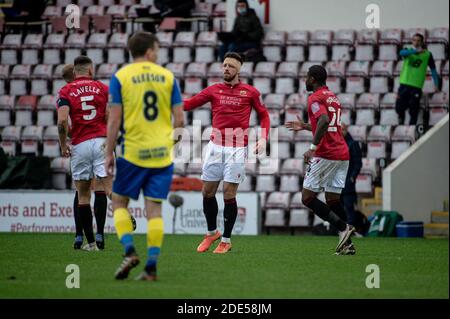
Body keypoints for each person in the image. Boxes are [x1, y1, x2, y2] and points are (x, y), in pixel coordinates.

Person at [105, 31, 184, 281]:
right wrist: (169, 143)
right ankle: (151, 268)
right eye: (157, 48)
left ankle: (129, 250)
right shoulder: (168, 77)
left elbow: (114, 119)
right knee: (155, 211)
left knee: (118, 202)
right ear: (149, 51)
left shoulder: (120, 77)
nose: (158, 52)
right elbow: (180, 120)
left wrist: (108, 152)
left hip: (133, 153)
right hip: (162, 155)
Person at [184, 52, 270, 254]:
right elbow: (189, 104)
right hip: (215, 147)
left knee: (229, 193)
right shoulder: (214, 90)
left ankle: (226, 240)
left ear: (238, 69)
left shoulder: (250, 92)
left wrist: (264, 138)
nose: (226, 69)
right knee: (207, 191)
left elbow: (264, 116)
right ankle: (212, 232)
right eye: (224, 65)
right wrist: (169, 100)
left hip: (237, 148)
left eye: (230, 66)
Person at [285, 65, 356, 256]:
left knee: (307, 198)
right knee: (333, 200)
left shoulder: (314, 98)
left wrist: (312, 148)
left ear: (313, 79)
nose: (305, 81)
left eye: (307, 77)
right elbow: (328, 125)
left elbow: (324, 121)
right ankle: (347, 245)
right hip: (342, 154)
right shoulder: (332, 97)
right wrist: (306, 126)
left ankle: (343, 227)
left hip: (326, 154)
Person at [57, 56, 112, 252]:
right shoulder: (102, 87)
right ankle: (118, 217)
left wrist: (64, 145)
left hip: (80, 144)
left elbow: (62, 122)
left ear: (74, 73)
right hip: (101, 141)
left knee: (82, 194)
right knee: (107, 188)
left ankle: (86, 240)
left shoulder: (66, 90)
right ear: (90, 70)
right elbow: (110, 114)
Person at [396, 33, 441, 126]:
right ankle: (401, 118)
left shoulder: (428, 54)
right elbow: (401, 53)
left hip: (416, 86)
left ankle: (412, 128)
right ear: (412, 41)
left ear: (422, 42)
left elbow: (433, 70)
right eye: (414, 40)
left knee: (414, 109)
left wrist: (436, 84)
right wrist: (415, 51)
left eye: (418, 40)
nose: (416, 42)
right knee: (399, 107)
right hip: (404, 84)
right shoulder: (408, 50)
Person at [340, 123, 363, 228]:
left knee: (349, 208)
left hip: (348, 184)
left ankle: (351, 231)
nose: (340, 132)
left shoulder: (353, 144)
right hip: (336, 184)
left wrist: (352, 177)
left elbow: (358, 163)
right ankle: (341, 231)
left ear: (346, 130)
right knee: (338, 209)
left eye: (342, 130)